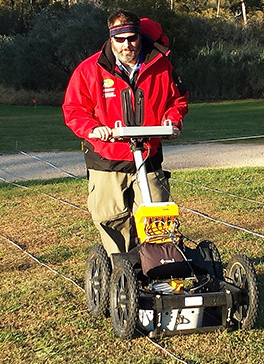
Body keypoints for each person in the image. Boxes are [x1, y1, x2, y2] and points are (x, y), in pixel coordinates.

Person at [63, 11, 188, 256]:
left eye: (131, 38)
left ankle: (158, 267)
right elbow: (74, 109)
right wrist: (93, 129)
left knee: (156, 215)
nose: (126, 45)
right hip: (107, 157)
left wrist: (172, 122)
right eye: (119, 40)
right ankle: (121, 269)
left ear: (139, 36)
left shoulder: (160, 65)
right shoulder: (90, 69)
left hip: (148, 155)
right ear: (111, 39)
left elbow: (178, 100)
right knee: (112, 218)